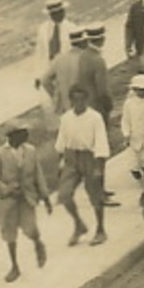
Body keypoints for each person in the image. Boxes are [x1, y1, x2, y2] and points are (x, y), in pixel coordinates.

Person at [0, 123, 50, 283]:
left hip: (26, 198)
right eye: (22, 133)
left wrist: (45, 197)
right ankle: (14, 266)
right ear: (12, 136)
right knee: (10, 234)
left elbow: (38, 174)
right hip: (8, 201)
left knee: (31, 228)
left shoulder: (30, 151)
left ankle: (38, 244)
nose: (26, 135)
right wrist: (6, 188)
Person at [55, 85, 109, 247]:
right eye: (75, 99)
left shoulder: (95, 117)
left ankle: (100, 230)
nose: (78, 103)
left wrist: (99, 166)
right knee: (64, 195)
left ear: (86, 99)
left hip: (90, 157)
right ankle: (78, 225)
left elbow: (101, 141)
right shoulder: (66, 118)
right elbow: (61, 142)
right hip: (72, 158)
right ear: (70, 100)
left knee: (95, 195)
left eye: (82, 99)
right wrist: (61, 161)